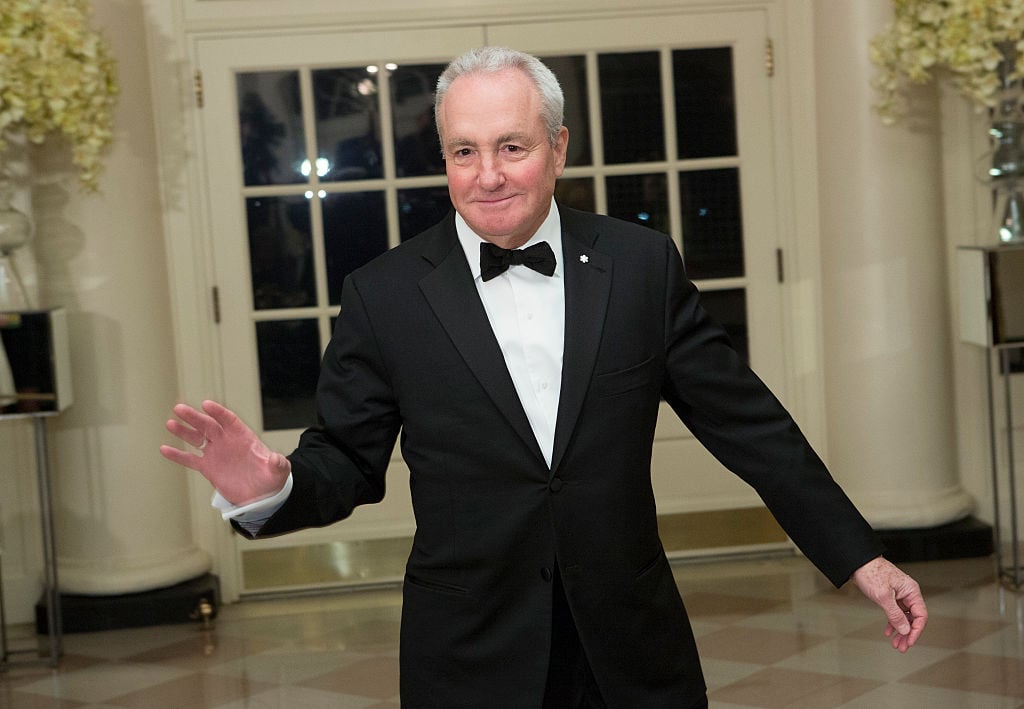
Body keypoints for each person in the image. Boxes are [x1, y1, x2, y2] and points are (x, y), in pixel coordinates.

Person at [161, 46, 927, 708]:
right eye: (464, 151)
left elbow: (748, 423)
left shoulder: (639, 267)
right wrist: (271, 485)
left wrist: (860, 554)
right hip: (470, 653)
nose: (487, 175)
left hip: (632, 646)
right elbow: (348, 460)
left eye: (511, 147)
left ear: (558, 147)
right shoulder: (383, 294)